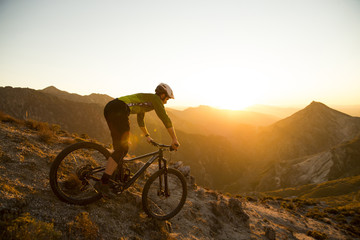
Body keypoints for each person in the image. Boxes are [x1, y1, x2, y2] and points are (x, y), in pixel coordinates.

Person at [94, 83, 180, 198]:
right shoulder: (155, 99)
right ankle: (103, 183)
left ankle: (112, 177)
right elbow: (165, 118)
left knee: (119, 148)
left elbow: (141, 120)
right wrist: (174, 139)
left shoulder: (147, 100)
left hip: (111, 108)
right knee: (123, 148)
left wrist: (147, 136)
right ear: (163, 95)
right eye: (167, 98)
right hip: (119, 109)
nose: (167, 101)